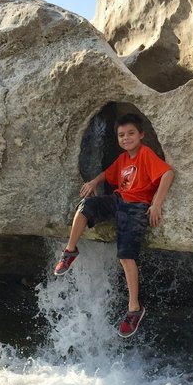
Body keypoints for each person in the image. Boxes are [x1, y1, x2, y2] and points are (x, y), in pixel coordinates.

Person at [54, 113, 174, 338]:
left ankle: (134, 309)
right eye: (121, 135)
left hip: (137, 207)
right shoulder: (123, 159)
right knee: (85, 207)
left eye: (130, 134)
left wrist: (156, 203)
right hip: (118, 200)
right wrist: (94, 182)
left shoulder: (145, 154)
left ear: (141, 135)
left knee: (126, 257)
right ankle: (70, 251)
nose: (126, 138)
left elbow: (167, 172)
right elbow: (108, 174)